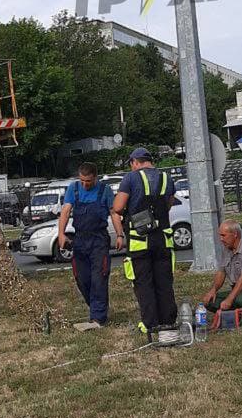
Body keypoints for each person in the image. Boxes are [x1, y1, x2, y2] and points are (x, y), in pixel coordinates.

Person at [112, 148, 179, 345]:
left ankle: (150, 323)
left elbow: (117, 207)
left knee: (143, 282)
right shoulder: (166, 178)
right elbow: (169, 203)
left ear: (135, 162)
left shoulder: (130, 179)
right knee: (164, 281)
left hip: (139, 240)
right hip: (163, 238)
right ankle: (168, 320)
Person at [57, 161, 117, 328]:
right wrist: (61, 233)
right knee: (82, 278)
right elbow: (66, 211)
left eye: (88, 181)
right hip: (80, 240)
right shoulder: (73, 189)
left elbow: (113, 213)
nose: (84, 184)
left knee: (99, 278)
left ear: (95, 178)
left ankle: (98, 318)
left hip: (99, 241)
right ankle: (97, 308)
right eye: (82, 180)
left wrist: (119, 235)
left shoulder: (105, 191)